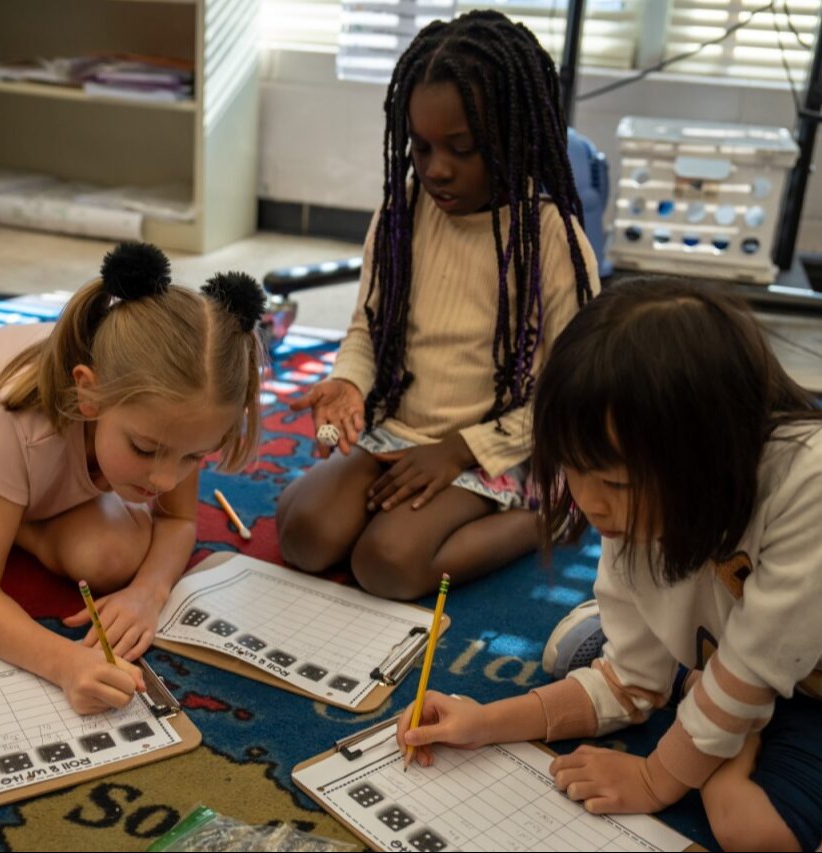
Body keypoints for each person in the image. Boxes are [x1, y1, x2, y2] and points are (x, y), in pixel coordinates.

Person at [395, 275, 822, 852]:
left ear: (709, 455)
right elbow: (630, 687)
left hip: (805, 673)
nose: (591, 504)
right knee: (686, 695)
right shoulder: (637, 494)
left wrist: (658, 775)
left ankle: (700, 682)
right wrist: (484, 722)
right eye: (574, 469)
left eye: (615, 482)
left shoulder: (807, 485)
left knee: (751, 831)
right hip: (746, 653)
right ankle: (695, 676)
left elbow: (751, 671)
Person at [277, 9, 599, 600]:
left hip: (496, 447)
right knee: (303, 535)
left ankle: (543, 518)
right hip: (398, 427)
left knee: (388, 563)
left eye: (462, 148)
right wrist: (348, 383)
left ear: (516, 138)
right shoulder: (401, 213)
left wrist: (457, 452)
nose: (435, 169)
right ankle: (377, 501)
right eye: (420, 147)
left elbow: (566, 392)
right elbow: (367, 330)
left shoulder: (551, 239)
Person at [0, 241, 266, 714]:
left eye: (194, 456)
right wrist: (67, 664)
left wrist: (149, 592)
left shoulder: (179, 411)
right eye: (145, 449)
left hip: (29, 464)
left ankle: (12, 517)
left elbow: (176, 521)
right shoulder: (16, 420)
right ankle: (2, 511)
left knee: (110, 558)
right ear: (89, 394)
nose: (167, 478)